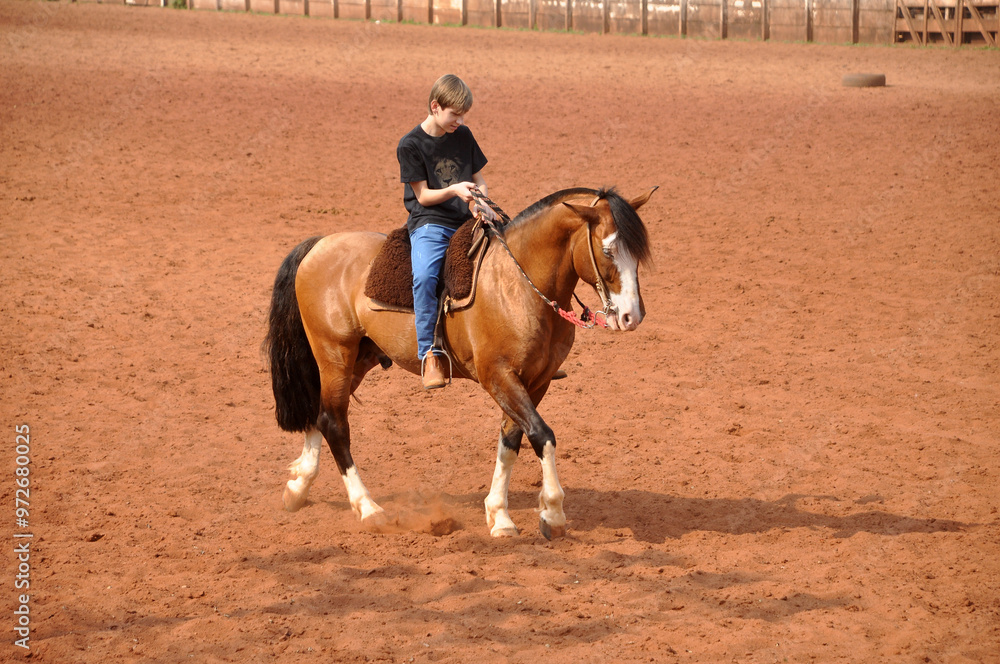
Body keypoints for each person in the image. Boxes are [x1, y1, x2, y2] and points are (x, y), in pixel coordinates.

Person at [397, 74, 489, 390]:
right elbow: (422, 196)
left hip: (467, 219)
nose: (459, 121)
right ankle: (430, 355)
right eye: (454, 114)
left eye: (463, 115)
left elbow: (478, 179)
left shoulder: (463, 135)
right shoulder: (410, 145)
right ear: (436, 107)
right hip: (430, 223)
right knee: (424, 277)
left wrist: (480, 202)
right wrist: (455, 189)